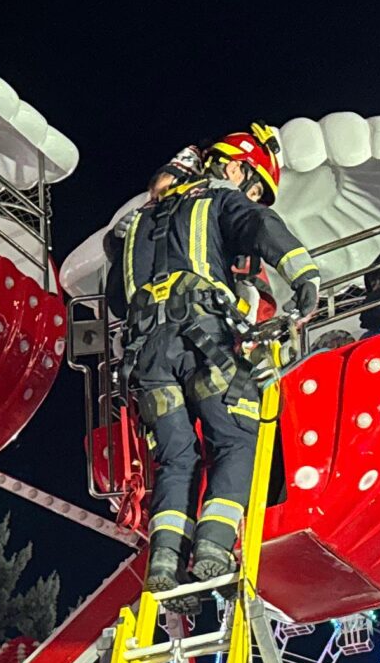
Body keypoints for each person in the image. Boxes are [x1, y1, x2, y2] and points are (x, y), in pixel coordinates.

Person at [104, 123, 325, 589]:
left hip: (148, 364)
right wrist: (304, 277)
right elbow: (259, 227)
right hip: (204, 346)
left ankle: (164, 559)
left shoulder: (136, 227)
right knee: (235, 442)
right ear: (233, 167)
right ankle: (214, 545)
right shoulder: (220, 202)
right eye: (254, 187)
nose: (253, 198)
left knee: (178, 460)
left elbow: (117, 302)